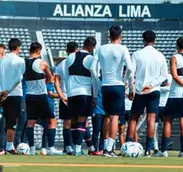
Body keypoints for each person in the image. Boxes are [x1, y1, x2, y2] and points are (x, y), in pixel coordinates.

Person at [127, 29, 168, 155]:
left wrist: (131, 89)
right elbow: (164, 76)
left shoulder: (137, 54)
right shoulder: (160, 55)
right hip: (153, 90)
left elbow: (131, 73)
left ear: (143, 40)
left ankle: (128, 145)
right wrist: (152, 85)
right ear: (154, 41)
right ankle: (148, 149)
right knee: (151, 119)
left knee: (134, 118)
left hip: (140, 90)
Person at [95, 25, 132, 156]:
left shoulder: (101, 48)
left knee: (107, 116)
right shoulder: (123, 48)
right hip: (117, 85)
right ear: (120, 36)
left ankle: (105, 146)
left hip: (105, 85)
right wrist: (125, 81)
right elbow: (130, 68)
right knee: (115, 116)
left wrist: (99, 82)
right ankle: (109, 148)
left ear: (109, 36)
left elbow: (93, 69)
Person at [61, 37, 99, 155]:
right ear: (92, 47)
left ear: (83, 44)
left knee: (73, 121)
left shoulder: (70, 57)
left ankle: (74, 147)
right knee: (82, 121)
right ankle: (78, 148)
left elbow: (66, 77)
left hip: (72, 93)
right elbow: (95, 79)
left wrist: (67, 93)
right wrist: (95, 96)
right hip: (85, 93)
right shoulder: (91, 59)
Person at [23, 42, 59, 155]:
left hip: (29, 95)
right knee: (52, 121)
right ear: (39, 51)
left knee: (30, 122)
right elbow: (50, 79)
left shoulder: (23, 63)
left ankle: (32, 148)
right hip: (40, 95)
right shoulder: (42, 63)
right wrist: (45, 81)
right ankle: (51, 148)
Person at [0, 37, 26, 154]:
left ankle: (5, 146)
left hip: (3, 94)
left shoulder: (1, 61)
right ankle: (8, 146)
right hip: (14, 93)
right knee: (12, 121)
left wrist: (1, 91)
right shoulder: (20, 61)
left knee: (6, 119)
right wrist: (8, 90)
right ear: (18, 48)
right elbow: (19, 78)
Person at [53, 44, 76, 154]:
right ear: (77, 50)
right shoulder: (78, 62)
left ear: (66, 50)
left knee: (66, 123)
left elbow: (56, 83)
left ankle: (68, 147)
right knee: (80, 122)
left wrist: (62, 96)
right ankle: (77, 146)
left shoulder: (60, 64)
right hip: (76, 94)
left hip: (65, 96)